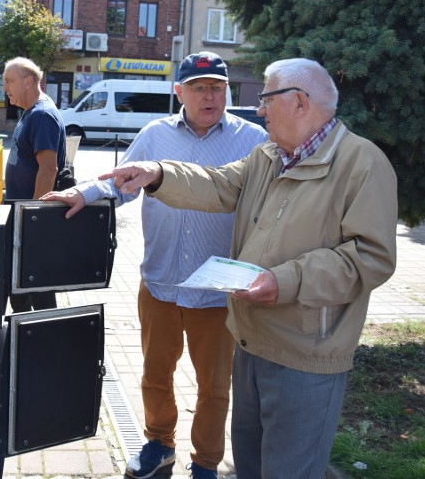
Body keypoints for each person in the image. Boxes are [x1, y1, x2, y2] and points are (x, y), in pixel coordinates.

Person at [97, 58, 398, 479]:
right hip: (253, 339)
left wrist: (285, 280)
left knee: (289, 469)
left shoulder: (361, 163)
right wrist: (158, 172)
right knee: (252, 467)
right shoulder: (271, 155)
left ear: (298, 102)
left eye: (265, 99)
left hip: (306, 351)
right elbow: (218, 184)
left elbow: (372, 257)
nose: (257, 110)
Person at [42, 52, 268, 479]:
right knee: (155, 375)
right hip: (161, 281)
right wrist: (83, 194)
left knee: (215, 388)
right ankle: (159, 445)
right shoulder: (155, 133)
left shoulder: (252, 140)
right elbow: (122, 184)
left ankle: (205, 463)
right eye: (199, 88)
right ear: (179, 92)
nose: (210, 96)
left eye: (217, 87)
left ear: (228, 91)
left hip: (218, 291)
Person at [3, 56, 67, 311]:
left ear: (28, 82)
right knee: (21, 292)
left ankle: (44, 344)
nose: (4, 87)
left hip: (31, 220)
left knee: (36, 291)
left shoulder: (41, 115)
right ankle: (26, 341)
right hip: (23, 215)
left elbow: (49, 169)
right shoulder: (31, 112)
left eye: (9, 81)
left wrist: (32, 217)